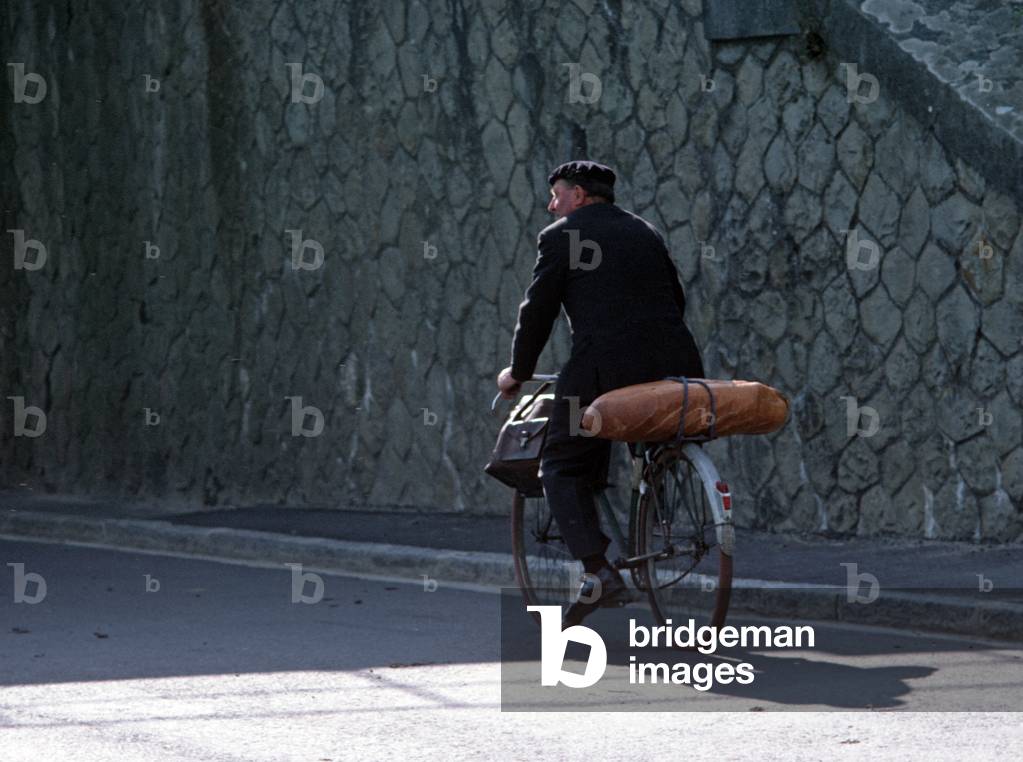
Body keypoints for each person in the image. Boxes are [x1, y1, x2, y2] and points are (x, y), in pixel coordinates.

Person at [496, 160, 706, 627]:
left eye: (556, 195)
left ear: (578, 196)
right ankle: (657, 494)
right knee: (648, 439)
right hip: (676, 366)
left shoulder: (560, 236)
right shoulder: (645, 231)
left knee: (561, 463)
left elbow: (538, 312)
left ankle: (597, 570)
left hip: (602, 368)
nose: (551, 206)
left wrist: (518, 372)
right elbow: (676, 298)